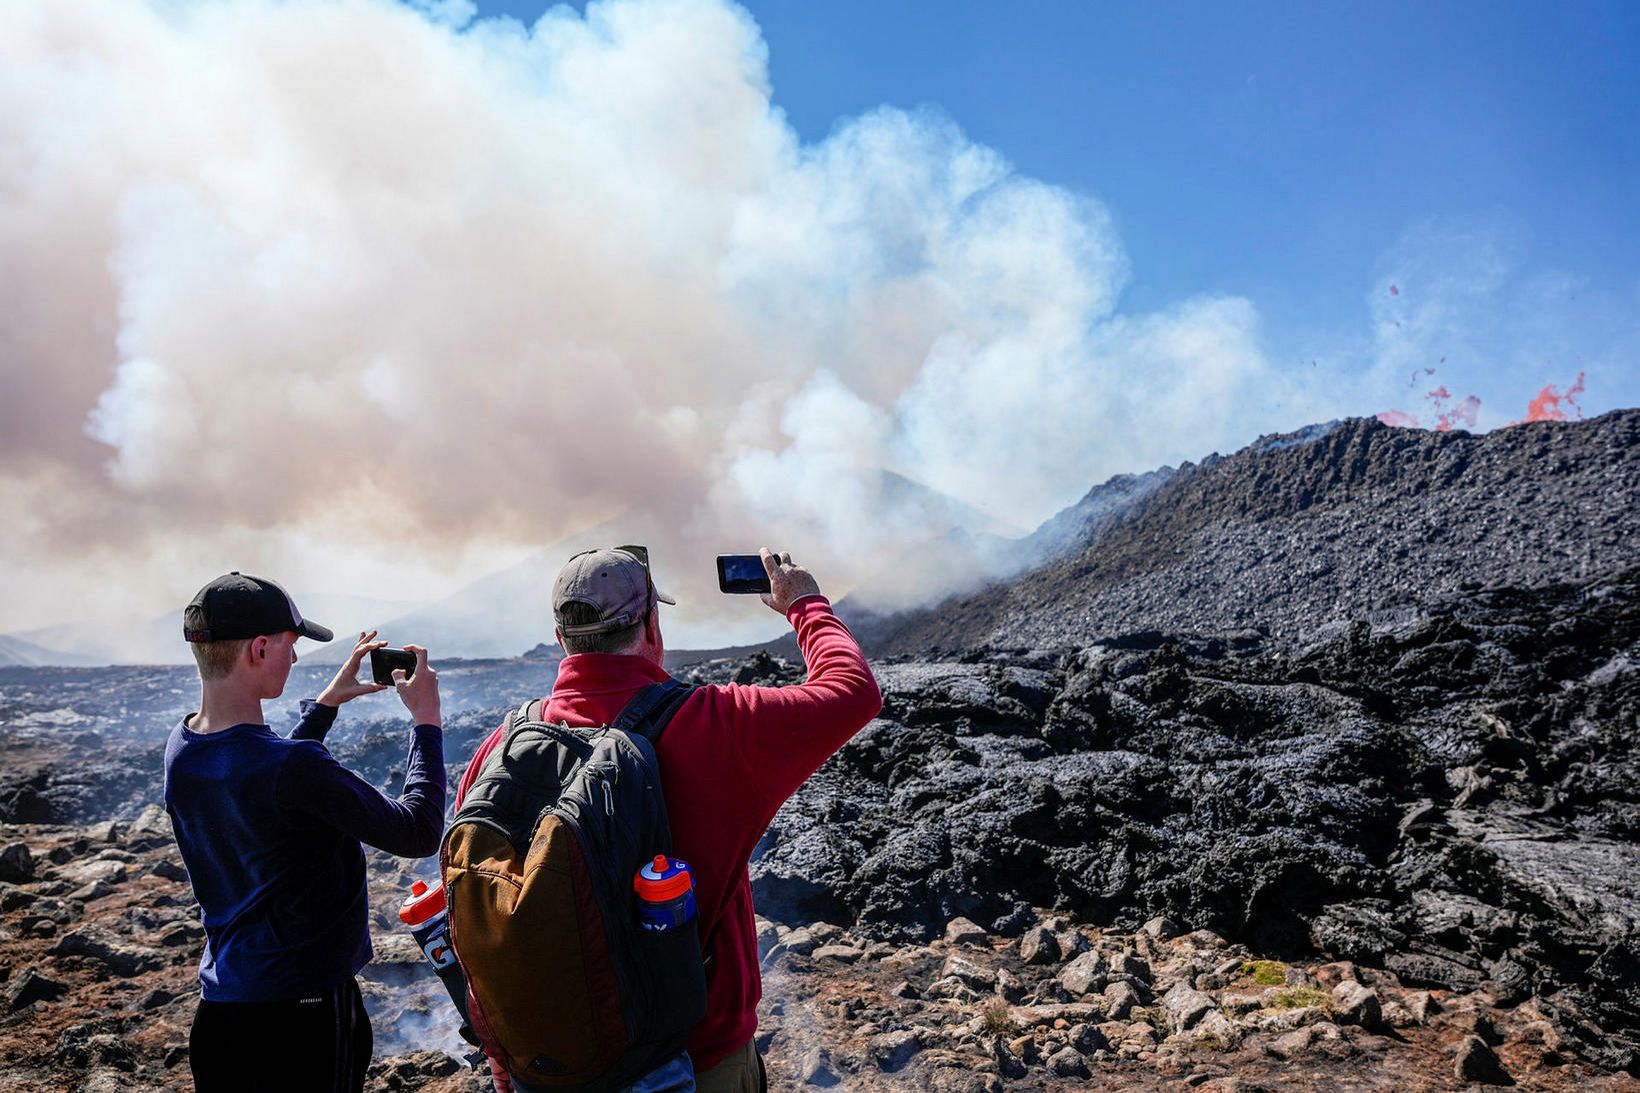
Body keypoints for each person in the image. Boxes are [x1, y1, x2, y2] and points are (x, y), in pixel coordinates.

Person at [455, 546, 882, 1093]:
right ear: (652, 625)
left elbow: (470, 906)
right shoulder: (715, 723)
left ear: (561, 637)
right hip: (698, 1059)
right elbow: (851, 692)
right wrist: (806, 604)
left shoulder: (504, 746)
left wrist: (499, 1042)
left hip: (547, 1062)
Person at [163, 571, 446, 1093]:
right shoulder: (292, 768)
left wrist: (326, 705)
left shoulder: (184, 747)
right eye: (291, 646)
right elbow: (418, 832)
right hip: (305, 1016)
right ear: (260, 647)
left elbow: (262, 776)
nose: (295, 660)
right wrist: (426, 722)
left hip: (223, 1013)